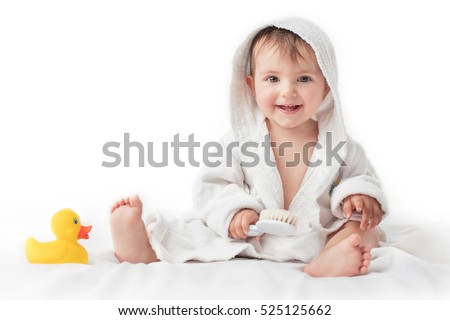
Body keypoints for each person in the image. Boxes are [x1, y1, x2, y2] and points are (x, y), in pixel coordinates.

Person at [109, 17, 387, 277]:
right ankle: (141, 249)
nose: (288, 90)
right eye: (272, 79)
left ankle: (328, 260)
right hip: (251, 234)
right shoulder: (238, 141)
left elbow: (361, 177)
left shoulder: (341, 146)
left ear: (326, 86)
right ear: (252, 86)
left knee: (363, 230)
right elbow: (214, 186)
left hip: (316, 236)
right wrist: (236, 213)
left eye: (303, 79)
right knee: (196, 233)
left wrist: (358, 196)